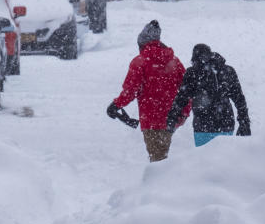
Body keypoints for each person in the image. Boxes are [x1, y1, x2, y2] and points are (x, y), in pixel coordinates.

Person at [107, 20, 190, 162]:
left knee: (158, 161)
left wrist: (116, 105)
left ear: (142, 43)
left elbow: (130, 90)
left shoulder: (140, 62)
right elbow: (187, 89)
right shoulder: (174, 61)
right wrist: (183, 114)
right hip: (172, 118)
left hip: (151, 119)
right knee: (162, 156)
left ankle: (160, 183)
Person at [166, 43, 250, 147]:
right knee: (226, 159)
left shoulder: (192, 73)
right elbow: (239, 99)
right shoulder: (228, 71)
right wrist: (244, 121)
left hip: (202, 125)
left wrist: (172, 118)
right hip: (226, 123)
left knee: (205, 161)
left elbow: (181, 99)